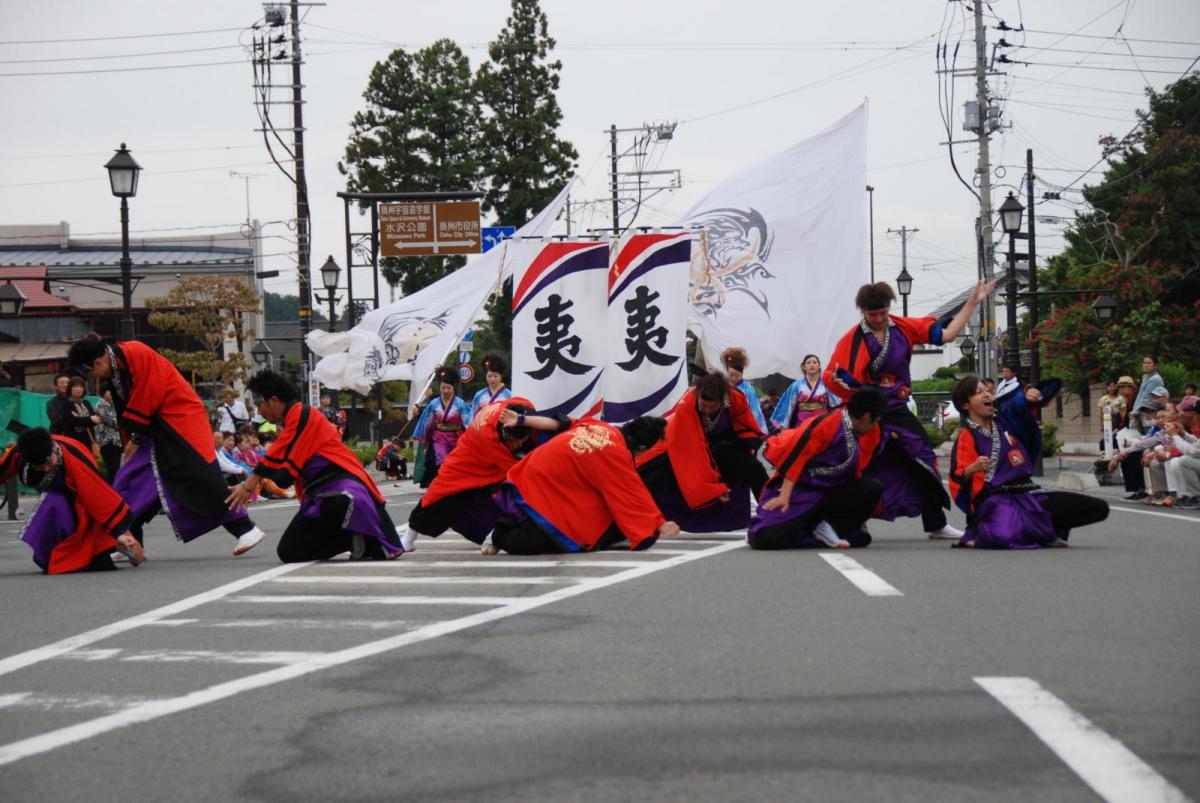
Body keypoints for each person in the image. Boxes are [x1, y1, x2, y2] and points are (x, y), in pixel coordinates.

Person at [824, 279, 995, 539]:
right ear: (863, 312)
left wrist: (972, 302)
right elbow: (833, 374)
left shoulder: (903, 327)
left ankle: (936, 523)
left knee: (923, 459)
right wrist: (838, 382)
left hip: (897, 408)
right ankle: (854, 519)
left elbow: (947, 335)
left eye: (883, 312)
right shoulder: (852, 339)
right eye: (872, 314)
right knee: (859, 463)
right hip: (867, 411)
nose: (878, 319)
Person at [66, 334, 265, 555]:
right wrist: (132, 439)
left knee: (198, 478)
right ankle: (131, 541)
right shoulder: (116, 368)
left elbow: (149, 393)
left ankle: (246, 528)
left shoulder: (135, 352)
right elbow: (130, 408)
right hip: (153, 428)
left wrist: (135, 439)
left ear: (97, 362)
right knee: (130, 482)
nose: (94, 378)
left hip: (178, 420)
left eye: (91, 373)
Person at [226, 371, 403, 562]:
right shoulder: (290, 420)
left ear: (274, 400)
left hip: (341, 482)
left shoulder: (303, 413)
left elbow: (278, 450)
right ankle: (354, 539)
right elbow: (282, 461)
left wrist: (248, 485)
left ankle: (369, 538)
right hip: (316, 493)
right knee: (289, 551)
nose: (258, 411)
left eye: (259, 404)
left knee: (344, 500)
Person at [948, 376, 1109, 549]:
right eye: (979, 392)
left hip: (1031, 494)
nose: (987, 394)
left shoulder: (1004, 419)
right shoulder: (966, 437)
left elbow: (1020, 402)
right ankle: (1032, 531)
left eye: (987, 390)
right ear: (966, 404)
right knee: (1002, 537)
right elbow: (957, 479)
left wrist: (1027, 394)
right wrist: (972, 469)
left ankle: (1043, 530)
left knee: (1098, 508)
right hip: (997, 501)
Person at [488, 417, 680, 555]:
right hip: (540, 483)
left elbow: (559, 422)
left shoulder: (597, 424)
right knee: (532, 542)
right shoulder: (616, 453)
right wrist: (659, 523)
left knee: (582, 517)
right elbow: (632, 492)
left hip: (535, 475)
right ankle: (498, 534)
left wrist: (522, 419)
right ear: (642, 447)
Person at [402, 397, 569, 552]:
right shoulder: (489, 434)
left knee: (499, 500)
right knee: (439, 494)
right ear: (505, 429)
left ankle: (494, 536)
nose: (518, 444)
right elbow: (516, 471)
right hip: (469, 458)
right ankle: (409, 537)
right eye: (514, 439)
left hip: (499, 456)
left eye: (522, 439)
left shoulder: (522, 406)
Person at [748, 387, 887, 550]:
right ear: (866, 417)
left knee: (872, 488)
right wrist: (784, 496)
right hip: (801, 490)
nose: (875, 426)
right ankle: (812, 529)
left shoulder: (852, 430)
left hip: (829, 494)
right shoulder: (828, 424)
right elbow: (797, 456)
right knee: (765, 538)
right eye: (875, 421)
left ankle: (824, 526)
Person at [636, 372, 767, 532]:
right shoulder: (687, 405)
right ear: (698, 397)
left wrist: (750, 442)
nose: (707, 410)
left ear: (723, 400)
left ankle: (770, 512)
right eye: (703, 406)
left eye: (713, 407)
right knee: (651, 475)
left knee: (754, 468)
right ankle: (643, 518)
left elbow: (745, 422)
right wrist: (712, 487)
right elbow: (694, 452)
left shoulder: (735, 398)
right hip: (684, 444)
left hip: (725, 444)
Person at [0, 427, 143, 573]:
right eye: (39, 467)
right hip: (56, 494)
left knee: (56, 506)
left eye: (49, 463)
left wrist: (120, 533)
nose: (46, 469)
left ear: (54, 449)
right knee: (51, 505)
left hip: (81, 496)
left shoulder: (74, 460)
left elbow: (99, 498)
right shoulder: (19, 454)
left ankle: (109, 544)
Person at [411, 367, 472, 488]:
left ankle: (455, 483)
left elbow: (468, 421)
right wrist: (423, 436)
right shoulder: (434, 403)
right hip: (439, 437)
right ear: (440, 388)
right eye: (443, 388)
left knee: (456, 461)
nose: (446, 391)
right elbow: (427, 420)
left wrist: (472, 436)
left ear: (453, 388)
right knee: (441, 459)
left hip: (456, 436)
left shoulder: (460, 403)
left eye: (448, 388)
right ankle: (444, 483)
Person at [769, 354, 834, 433]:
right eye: (808, 363)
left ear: (819, 366)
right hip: (803, 420)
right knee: (803, 439)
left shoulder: (826, 383)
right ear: (804, 367)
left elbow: (835, 403)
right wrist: (783, 426)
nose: (812, 365)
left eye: (814, 362)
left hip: (822, 419)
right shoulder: (797, 385)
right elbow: (789, 405)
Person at [720, 347, 768, 432]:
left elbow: (755, 412)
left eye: (737, 375)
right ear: (727, 373)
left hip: (745, 426)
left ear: (742, 374)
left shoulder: (748, 389)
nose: (734, 378)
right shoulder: (723, 387)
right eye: (731, 375)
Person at [63, 376, 100, 453]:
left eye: (81, 387)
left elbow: (95, 420)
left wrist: (82, 419)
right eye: (75, 387)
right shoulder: (66, 404)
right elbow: (72, 421)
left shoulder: (86, 403)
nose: (78, 389)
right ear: (70, 389)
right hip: (74, 440)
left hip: (89, 440)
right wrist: (89, 419)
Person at [94, 386, 123, 484]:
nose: (112, 393)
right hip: (107, 441)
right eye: (109, 390)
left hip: (117, 441)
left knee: (117, 469)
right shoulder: (101, 405)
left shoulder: (114, 404)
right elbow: (114, 422)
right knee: (112, 470)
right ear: (103, 392)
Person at [470, 353, 513, 417]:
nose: (492, 379)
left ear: (501, 376)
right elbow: (473, 416)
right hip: (483, 423)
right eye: (489, 376)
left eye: (495, 376)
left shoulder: (509, 394)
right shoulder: (479, 395)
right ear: (485, 377)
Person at [1130, 355, 1165, 432]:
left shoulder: (1155, 379)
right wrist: (1134, 411)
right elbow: (1140, 395)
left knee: (1149, 435)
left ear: (1155, 365)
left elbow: (1146, 398)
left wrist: (1135, 412)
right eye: (1144, 363)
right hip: (1141, 413)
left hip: (1150, 414)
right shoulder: (1145, 377)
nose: (1146, 365)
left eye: (1149, 363)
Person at [1097, 380, 1127, 455]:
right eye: (1110, 386)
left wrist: (1122, 425)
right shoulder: (1103, 399)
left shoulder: (1121, 399)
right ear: (1107, 388)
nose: (1112, 388)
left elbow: (1123, 413)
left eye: (1113, 386)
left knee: (1115, 441)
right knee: (1104, 442)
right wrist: (1102, 425)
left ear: (1116, 387)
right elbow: (1101, 414)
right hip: (1107, 424)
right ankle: (1103, 457)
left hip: (1118, 424)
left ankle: (1116, 457)